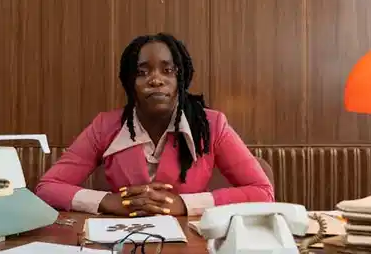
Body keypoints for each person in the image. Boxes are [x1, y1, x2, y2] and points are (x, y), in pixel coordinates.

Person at [35, 33, 274, 217]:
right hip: (123, 240)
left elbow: (262, 191)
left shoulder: (212, 125)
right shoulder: (105, 126)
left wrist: (184, 204)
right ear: (131, 83)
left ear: (180, 78)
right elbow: (48, 187)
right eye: (142, 72)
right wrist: (110, 202)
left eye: (168, 70)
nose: (156, 80)